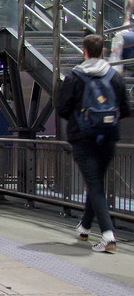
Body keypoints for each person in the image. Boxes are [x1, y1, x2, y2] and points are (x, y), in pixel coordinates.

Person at [56, 34, 131, 253]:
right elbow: (125, 108)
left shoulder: (74, 77)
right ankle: (85, 227)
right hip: (108, 138)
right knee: (96, 182)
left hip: (82, 139)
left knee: (95, 184)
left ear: (84, 51)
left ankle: (108, 236)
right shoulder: (114, 76)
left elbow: (62, 109)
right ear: (103, 52)